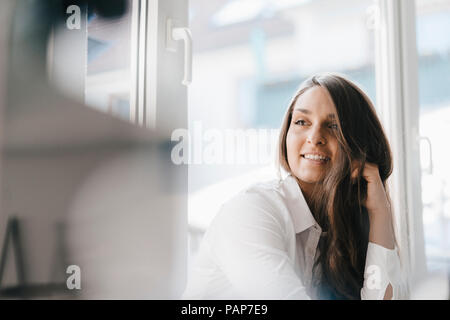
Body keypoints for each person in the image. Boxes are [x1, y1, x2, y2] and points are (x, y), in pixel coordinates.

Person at [182, 73, 409, 300]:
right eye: (301, 122)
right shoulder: (251, 212)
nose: (315, 136)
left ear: (360, 150)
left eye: (333, 126)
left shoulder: (341, 231)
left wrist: (380, 212)